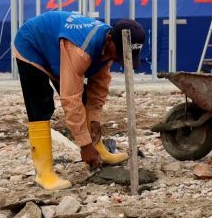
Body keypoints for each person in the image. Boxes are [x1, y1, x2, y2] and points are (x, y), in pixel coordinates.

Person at [13, 11, 145, 190]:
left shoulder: (110, 45)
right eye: (119, 54)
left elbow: (97, 89)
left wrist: (95, 120)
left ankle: (98, 149)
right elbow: (70, 98)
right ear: (109, 40)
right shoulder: (81, 51)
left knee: (84, 100)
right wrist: (84, 145)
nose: (117, 60)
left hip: (59, 47)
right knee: (40, 105)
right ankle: (44, 174)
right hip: (33, 44)